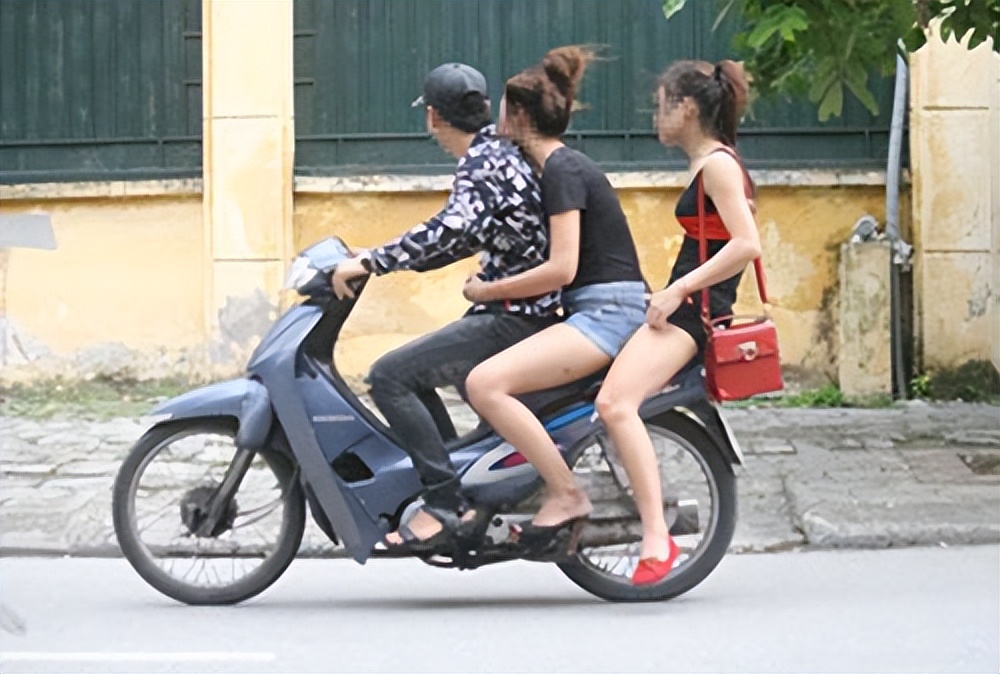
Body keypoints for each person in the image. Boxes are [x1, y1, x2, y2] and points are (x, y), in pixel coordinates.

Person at [331, 63, 561, 547]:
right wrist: (381, 258)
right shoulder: (496, 154)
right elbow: (458, 239)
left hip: (515, 318)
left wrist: (374, 260)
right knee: (420, 371)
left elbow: (450, 230)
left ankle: (444, 501)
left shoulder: (483, 163)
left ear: (433, 116)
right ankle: (456, 479)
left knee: (390, 375)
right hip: (518, 311)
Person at [462, 46, 647, 552]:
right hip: (596, 307)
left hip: (610, 314)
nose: (495, 119)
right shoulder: (552, 167)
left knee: (486, 384)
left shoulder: (562, 169)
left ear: (519, 116)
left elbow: (560, 268)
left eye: (502, 109)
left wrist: (487, 290)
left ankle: (566, 493)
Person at [594, 60, 762, 585]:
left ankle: (655, 537)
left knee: (615, 404)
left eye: (659, 104)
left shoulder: (717, 166)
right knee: (607, 398)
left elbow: (746, 244)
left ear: (686, 108)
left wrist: (677, 290)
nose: (654, 115)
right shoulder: (710, 163)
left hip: (693, 317)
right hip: (686, 309)